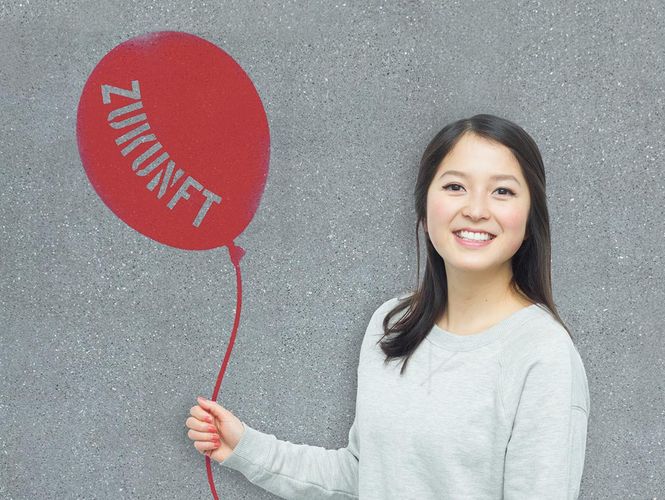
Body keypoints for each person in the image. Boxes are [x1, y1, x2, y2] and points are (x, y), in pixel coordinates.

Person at [185, 114, 590, 499]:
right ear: (423, 205)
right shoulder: (393, 323)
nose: (477, 209)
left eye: (502, 190)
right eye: (454, 187)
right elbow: (364, 475)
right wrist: (248, 449)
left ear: (530, 212)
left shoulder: (542, 353)